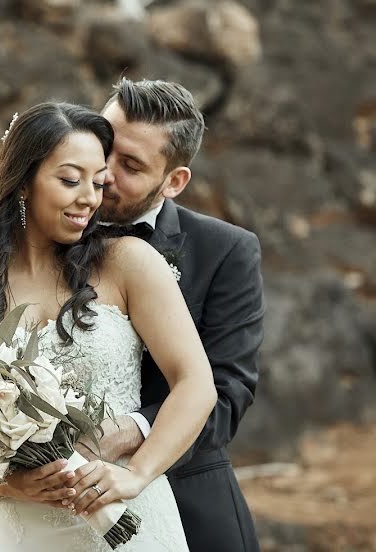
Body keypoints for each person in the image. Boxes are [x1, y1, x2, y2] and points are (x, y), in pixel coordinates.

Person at [0, 101, 217, 551]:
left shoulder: (128, 264)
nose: (89, 198)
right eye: (69, 180)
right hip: (20, 531)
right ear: (23, 182)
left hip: (131, 516)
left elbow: (196, 384)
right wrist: (10, 485)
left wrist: (136, 475)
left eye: (97, 183)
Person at [92, 78, 265, 551]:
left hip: (187, 509)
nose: (104, 172)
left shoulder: (226, 251)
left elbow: (226, 397)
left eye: (129, 165)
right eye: (103, 146)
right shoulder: (38, 237)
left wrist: (131, 433)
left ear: (174, 181)